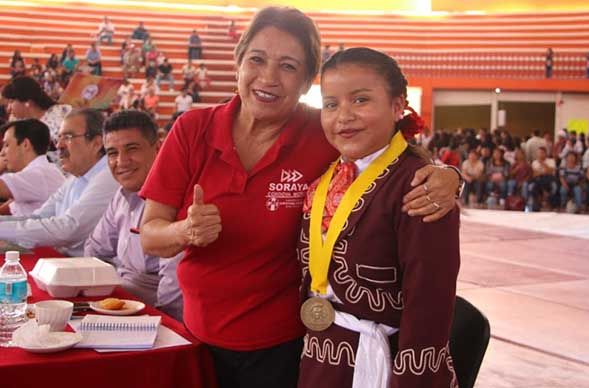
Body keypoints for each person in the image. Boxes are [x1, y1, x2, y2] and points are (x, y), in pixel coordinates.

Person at [138, 7, 459, 388]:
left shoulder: (322, 132)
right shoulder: (192, 130)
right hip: (197, 334)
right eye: (257, 59)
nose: (268, 78)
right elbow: (150, 234)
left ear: (307, 79)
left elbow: (387, 154)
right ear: (238, 62)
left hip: (287, 347)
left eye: (289, 66)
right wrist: (183, 231)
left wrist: (448, 176)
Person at [297, 46, 459, 388]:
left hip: (385, 362)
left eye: (360, 100)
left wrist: (413, 378)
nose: (343, 116)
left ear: (398, 106)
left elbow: (429, 301)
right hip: (322, 357)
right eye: (330, 104)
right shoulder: (328, 175)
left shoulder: (421, 186)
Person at [84, 110, 182, 320]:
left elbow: (172, 294)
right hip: (117, 305)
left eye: (132, 149)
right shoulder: (121, 195)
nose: (122, 161)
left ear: (158, 148)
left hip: (152, 318)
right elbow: (93, 251)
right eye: (112, 153)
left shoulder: (176, 200)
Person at [0, 109, 119, 256]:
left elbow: (68, 229)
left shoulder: (108, 177)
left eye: (68, 137)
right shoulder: (76, 177)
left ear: (96, 143)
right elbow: (39, 217)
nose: (58, 146)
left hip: (96, 271)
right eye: (59, 138)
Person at [0, 119, 65, 216]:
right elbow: (8, 210)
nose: (2, 153)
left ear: (25, 144)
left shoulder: (39, 174)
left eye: (7, 145)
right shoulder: (40, 172)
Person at [1, 76, 72, 146]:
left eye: (11, 102)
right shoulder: (17, 121)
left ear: (27, 101)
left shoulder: (61, 114)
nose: (8, 108)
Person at [528, 146, 557, 211]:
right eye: (539, 153)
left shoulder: (551, 161)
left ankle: (552, 205)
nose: (540, 154)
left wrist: (542, 163)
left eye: (542, 153)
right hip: (538, 180)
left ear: (545, 153)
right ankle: (535, 205)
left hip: (549, 179)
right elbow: (534, 174)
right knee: (531, 187)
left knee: (554, 187)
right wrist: (543, 172)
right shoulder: (534, 162)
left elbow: (550, 172)